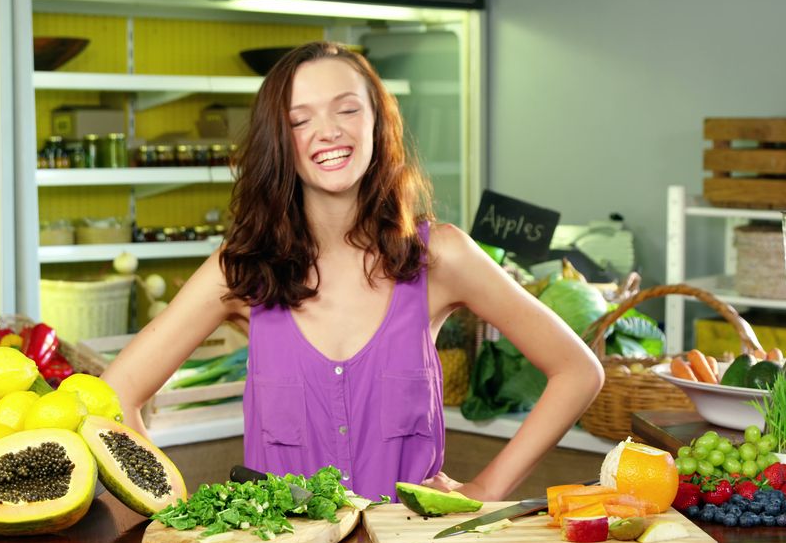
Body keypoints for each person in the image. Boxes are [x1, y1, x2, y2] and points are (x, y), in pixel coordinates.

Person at [101, 41, 604, 502]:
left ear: (377, 123)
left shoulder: (441, 256)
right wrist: (170, 508)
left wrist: (483, 488)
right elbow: (114, 396)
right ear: (279, 140)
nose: (329, 131)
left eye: (347, 108)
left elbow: (578, 371)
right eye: (300, 120)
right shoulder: (241, 271)